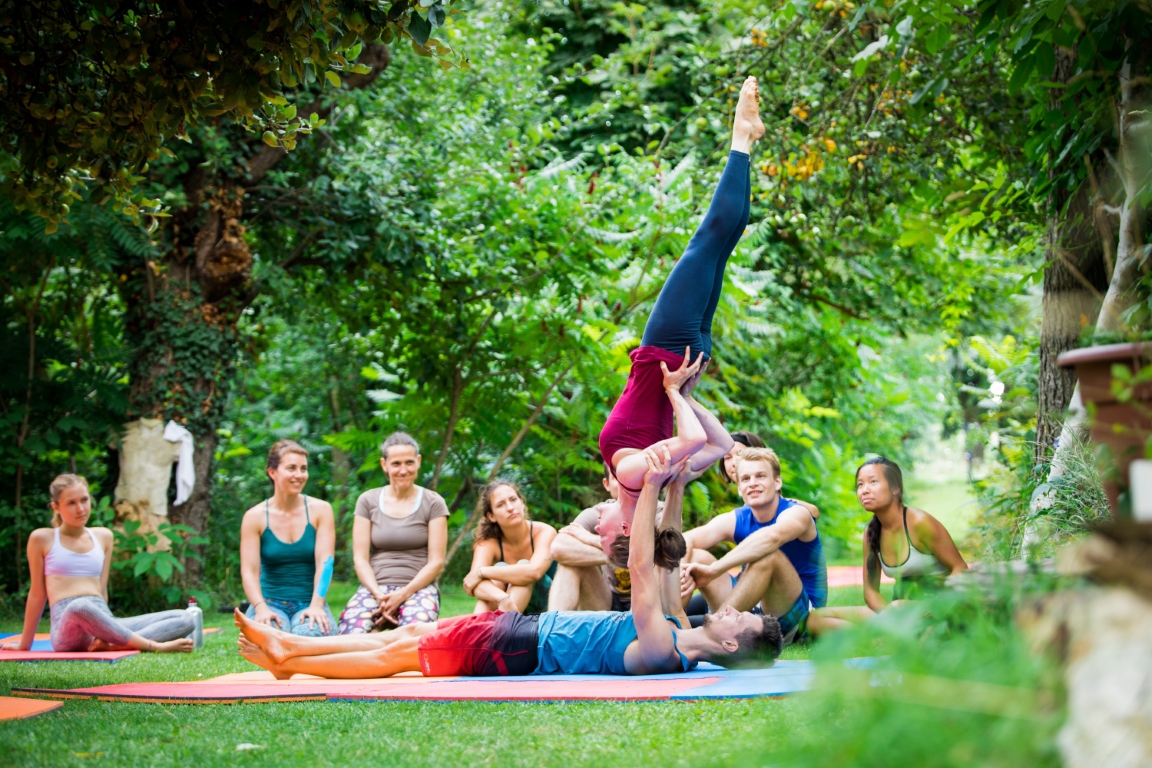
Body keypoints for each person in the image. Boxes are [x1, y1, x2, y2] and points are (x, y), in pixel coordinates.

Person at [233, 445, 782, 679]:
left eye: (743, 617)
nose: (735, 610)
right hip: (525, 629)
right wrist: (676, 489)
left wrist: (649, 489)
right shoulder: (680, 634)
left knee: (400, 653)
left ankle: (290, 661)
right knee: (412, 633)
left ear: (732, 643)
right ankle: (295, 645)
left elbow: (639, 571)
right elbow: (664, 560)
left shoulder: (664, 653)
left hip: (519, 648)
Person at [595, 77, 765, 542]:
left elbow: (723, 445)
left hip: (685, 361)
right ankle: (739, 135)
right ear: (626, 528)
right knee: (708, 239)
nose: (596, 524)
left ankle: (746, 138)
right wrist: (673, 393)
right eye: (603, 532)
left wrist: (686, 396)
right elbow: (696, 441)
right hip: (666, 355)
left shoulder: (662, 477)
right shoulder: (634, 473)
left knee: (720, 244)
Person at [1, 474, 194, 654]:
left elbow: (102, 592)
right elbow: (37, 593)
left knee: (185, 618)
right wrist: (24, 645)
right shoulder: (42, 538)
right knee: (80, 605)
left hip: (102, 618)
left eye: (84, 500)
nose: (81, 509)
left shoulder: (103, 536)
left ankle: (111, 645)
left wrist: (105, 628)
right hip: (68, 626)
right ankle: (154, 646)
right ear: (56, 507)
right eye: (71, 503)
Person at [680, 448, 827, 645]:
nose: (753, 483)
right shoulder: (738, 517)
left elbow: (771, 538)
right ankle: (670, 626)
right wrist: (682, 570)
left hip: (798, 617)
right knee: (695, 556)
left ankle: (714, 635)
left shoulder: (796, 513)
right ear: (739, 488)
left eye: (760, 476)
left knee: (768, 556)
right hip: (754, 611)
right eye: (746, 479)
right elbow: (684, 540)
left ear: (777, 482)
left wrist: (714, 569)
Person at [808, 457, 968, 636]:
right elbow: (870, 591)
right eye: (860, 485)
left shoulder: (920, 523)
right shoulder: (871, 533)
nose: (864, 490)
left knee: (898, 607)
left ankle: (886, 635)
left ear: (895, 488)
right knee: (815, 618)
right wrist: (889, 617)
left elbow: (960, 569)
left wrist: (938, 606)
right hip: (898, 612)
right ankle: (886, 635)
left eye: (873, 482)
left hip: (936, 608)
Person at [338, 432, 448, 633]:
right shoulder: (367, 501)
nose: (403, 470)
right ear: (384, 465)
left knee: (413, 636)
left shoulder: (433, 502)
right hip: (376, 588)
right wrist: (379, 595)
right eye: (396, 464)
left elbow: (436, 563)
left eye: (409, 462)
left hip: (418, 588)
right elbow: (360, 559)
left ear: (418, 461)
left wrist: (403, 594)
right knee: (350, 633)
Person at [240, 440, 337, 637]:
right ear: (272, 472)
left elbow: (325, 563)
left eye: (303, 469)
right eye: (291, 468)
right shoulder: (255, 516)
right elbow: (249, 571)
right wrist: (260, 609)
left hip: (310, 602)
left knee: (309, 637)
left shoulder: (321, 510)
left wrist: (317, 606)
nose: (299, 475)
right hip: (269, 603)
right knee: (270, 637)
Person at [464, 480, 556, 614]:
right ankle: (477, 630)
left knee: (519, 567)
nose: (510, 507)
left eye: (513, 500)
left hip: (550, 606)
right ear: (491, 516)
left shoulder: (544, 532)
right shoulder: (488, 542)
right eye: (500, 505)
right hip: (510, 606)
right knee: (497, 574)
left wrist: (482, 572)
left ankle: (493, 628)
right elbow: (473, 583)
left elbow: (534, 572)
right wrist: (502, 597)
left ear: (522, 503)